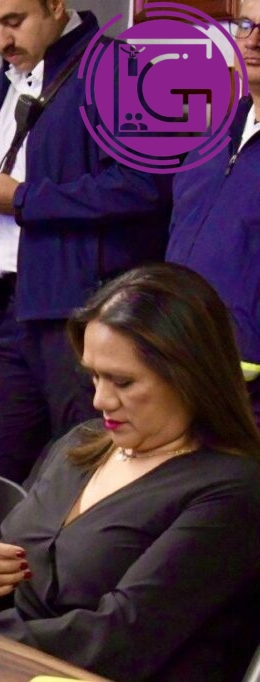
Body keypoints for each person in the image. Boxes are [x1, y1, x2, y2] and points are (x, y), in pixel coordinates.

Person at [0, 263, 260, 681]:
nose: (100, 400)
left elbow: (121, 638)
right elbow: (14, 592)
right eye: (93, 376)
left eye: (122, 382)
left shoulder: (233, 489)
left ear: (190, 376)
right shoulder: (79, 444)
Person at [0, 0, 170, 484]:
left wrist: (24, 199)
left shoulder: (119, 69)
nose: (2, 40)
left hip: (88, 317)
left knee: (88, 479)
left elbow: (146, 186)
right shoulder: (7, 79)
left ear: (56, 6)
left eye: (14, 22)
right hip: (15, 310)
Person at [167, 0, 260, 423]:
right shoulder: (214, 136)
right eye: (245, 25)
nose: (253, 40)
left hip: (247, 387)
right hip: (181, 363)